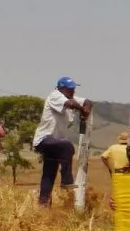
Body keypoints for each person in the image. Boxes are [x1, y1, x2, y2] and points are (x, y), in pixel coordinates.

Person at [31, 76, 93, 207]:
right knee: (68, 147)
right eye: (70, 89)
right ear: (61, 88)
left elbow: (87, 101)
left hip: (54, 142)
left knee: (49, 172)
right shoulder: (55, 96)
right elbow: (70, 104)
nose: (73, 91)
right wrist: (81, 110)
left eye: (74, 89)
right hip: (44, 139)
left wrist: (86, 108)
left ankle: (43, 203)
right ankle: (66, 179)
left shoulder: (69, 98)